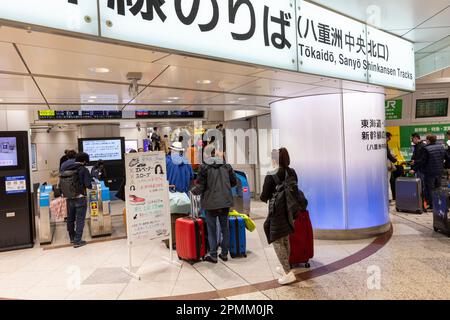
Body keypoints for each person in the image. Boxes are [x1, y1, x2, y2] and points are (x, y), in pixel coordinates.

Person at [260, 148, 298, 285]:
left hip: (276, 213)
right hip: (289, 211)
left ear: (275, 160)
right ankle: (286, 266)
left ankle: (288, 273)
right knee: (285, 239)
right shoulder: (292, 172)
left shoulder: (271, 175)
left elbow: (263, 196)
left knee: (277, 241)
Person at [192, 148, 237, 263]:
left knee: (211, 229)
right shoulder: (227, 166)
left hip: (210, 204)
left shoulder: (204, 167)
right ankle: (224, 254)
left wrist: (193, 191)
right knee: (225, 228)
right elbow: (234, 182)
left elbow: (200, 187)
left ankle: (213, 255)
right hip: (225, 202)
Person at [60, 152, 92, 248]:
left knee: (70, 219)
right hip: (80, 198)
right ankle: (78, 241)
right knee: (80, 219)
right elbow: (88, 185)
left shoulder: (66, 168)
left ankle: (72, 238)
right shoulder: (83, 169)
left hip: (68, 197)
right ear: (84, 161)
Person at [412, 134, 450, 210]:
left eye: (426, 140)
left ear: (428, 140)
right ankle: (439, 204)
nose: (425, 141)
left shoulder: (426, 149)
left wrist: (415, 166)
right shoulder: (441, 147)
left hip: (429, 172)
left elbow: (423, 161)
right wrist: (443, 166)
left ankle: (432, 206)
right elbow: (448, 158)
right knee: (438, 188)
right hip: (439, 171)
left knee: (430, 189)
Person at [386, 132, 397, 202]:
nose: (389, 139)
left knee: (387, 181)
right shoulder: (385, 144)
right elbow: (388, 154)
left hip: (387, 166)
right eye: (389, 137)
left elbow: (388, 154)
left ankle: (389, 198)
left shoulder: (385, 144)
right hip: (387, 165)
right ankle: (389, 198)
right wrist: (394, 160)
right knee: (387, 181)